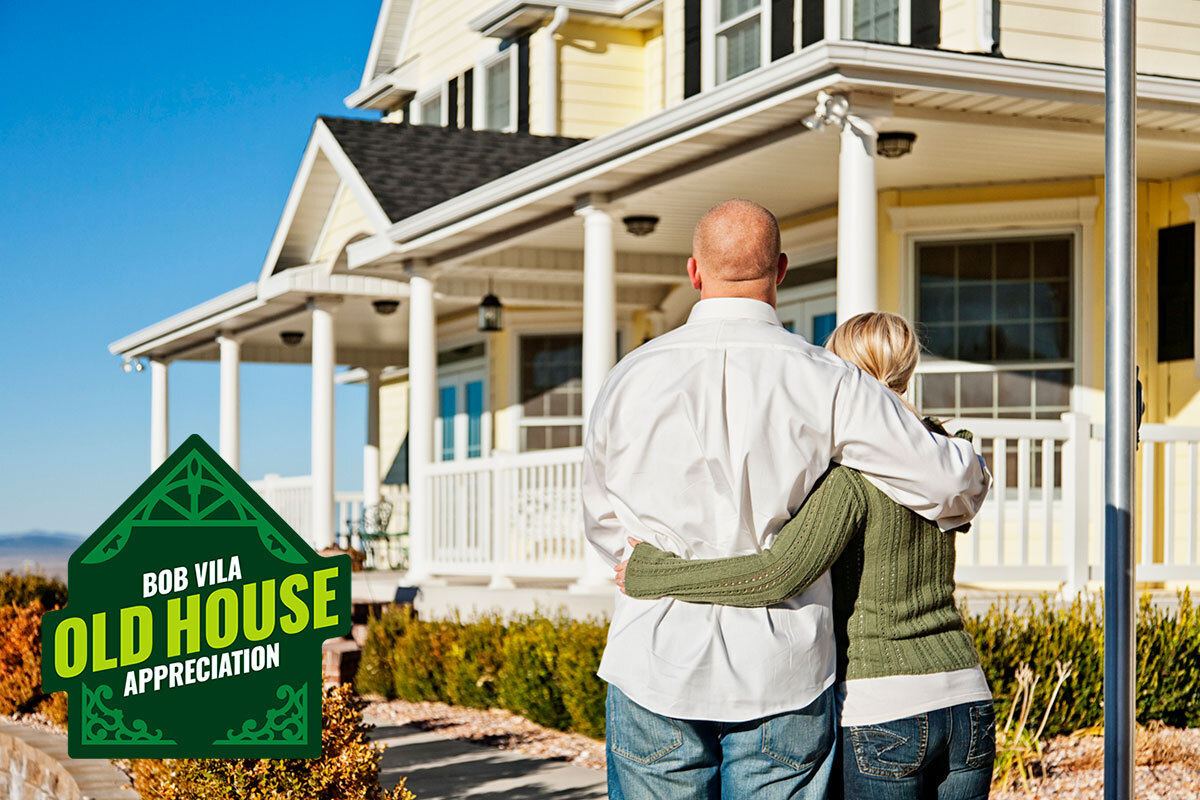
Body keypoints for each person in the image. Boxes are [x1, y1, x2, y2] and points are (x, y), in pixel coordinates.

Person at [582, 199, 991, 800]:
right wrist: (968, 458)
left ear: (694, 273)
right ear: (781, 269)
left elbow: (603, 526)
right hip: (784, 669)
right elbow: (948, 485)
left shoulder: (627, 377)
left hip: (653, 660)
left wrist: (655, 567)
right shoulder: (828, 379)